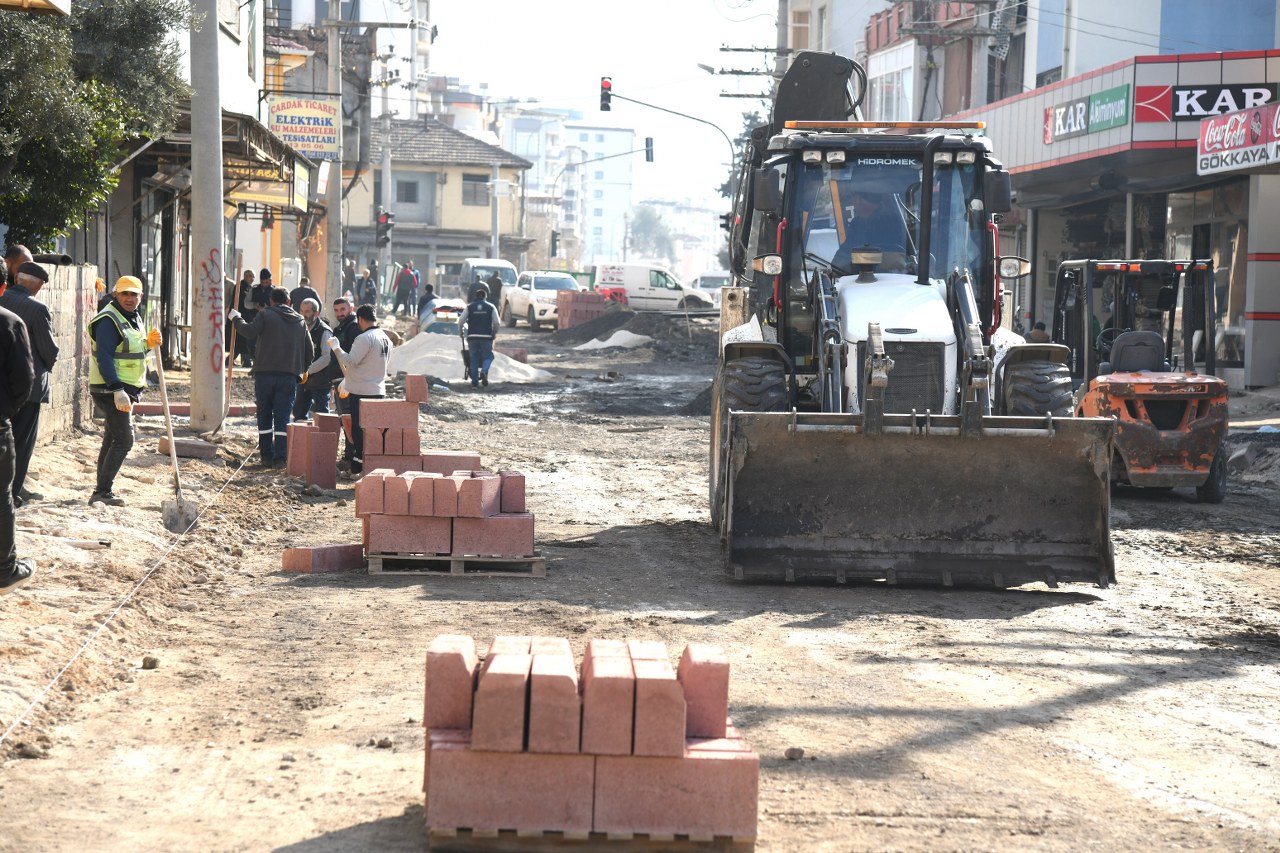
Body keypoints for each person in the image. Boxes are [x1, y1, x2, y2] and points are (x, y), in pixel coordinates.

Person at [88, 276, 158, 506]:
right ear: (116, 295)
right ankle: (102, 491)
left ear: (141, 296)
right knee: (124, 440)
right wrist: (117, 389)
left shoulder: (132, 317)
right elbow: (105, 357)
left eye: (133, 294)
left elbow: (129, 348)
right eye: (125, 294)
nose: (129, 298)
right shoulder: (109, 319)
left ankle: (101, 489)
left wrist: (148, 343)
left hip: (124, 387)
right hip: (111, 388)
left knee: (111, 437)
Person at [228, 287, 314, 467]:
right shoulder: (300, 321)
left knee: (264, 414)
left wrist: (236, 318)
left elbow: (249, 331)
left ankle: (266, 455)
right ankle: (280, 458)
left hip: (265, 375)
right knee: (283, 417)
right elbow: (310, 351)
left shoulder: (266, 314)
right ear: (290, 302)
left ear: (271, 301)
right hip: (289, 377)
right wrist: (302, 370)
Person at [0, 262, 58, 508]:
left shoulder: (4, 301)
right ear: (39, 286)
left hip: (3, 388)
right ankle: (11, 496)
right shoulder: (37, 308)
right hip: (29, 389)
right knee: (21, 444)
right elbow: (49, 349)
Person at [0, 260, 35, 593]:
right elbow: (24, 381)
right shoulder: (10, 322)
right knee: (1, 498)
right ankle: (5, 571)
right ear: (3, 288)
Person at [327, 304, 392, 475]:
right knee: (373, 431)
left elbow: (350, 360)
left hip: (361, 391)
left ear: (360, 319)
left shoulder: (364, 338)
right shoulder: (385, 337)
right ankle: (370, 465)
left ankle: (358, 467)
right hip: (378, 390)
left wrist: (336, 347)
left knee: (359, 430)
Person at [832, 191, 908, 271]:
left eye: (854, 197)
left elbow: (896, 252)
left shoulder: (890, 220)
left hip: (887, 275)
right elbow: (846, 249)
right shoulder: (856, 223)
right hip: (857, 274)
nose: (853, 202)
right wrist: (835, 267)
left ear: (859, 200)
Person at [328, 296, 361, 468]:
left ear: (350, 309)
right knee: (344, 419)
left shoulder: (353, 327)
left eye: (343, 309)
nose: (339, 313)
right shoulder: (340, 327)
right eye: (337, 310)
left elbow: (354, 357)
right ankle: (349, 455)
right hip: (339, 379)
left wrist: (348, 379)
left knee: (349, 420)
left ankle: (351, 457)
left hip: (347, 380)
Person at [293, 298, 334, 421]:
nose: (303, 314)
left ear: (316, 313)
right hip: (302, 380)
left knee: (322, 416)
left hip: (320, 381)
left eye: (307, 311)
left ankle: (324, 439)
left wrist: (307, 371)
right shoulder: (298, 328)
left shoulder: (324, 331)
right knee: (299, 414)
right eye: (301, 311)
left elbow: (326, 357)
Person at [458, 285, 499, 389]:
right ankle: (484, 371)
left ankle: (474, 384)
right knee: (488, 356)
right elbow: (497, 322)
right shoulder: (491, 307)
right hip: (486, 337)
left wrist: (461, 331)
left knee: (474, 359)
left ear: (475, 296)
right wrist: (494, 333)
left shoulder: (469, 307)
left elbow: (461, 320)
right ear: (485, 297)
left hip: (472, 337)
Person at [233, 269, 257, 367]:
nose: (252, 279)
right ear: (245, 276)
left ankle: (243, 360)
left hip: (246, 317)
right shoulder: (240, 287)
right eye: (250, 276)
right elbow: (242, 303)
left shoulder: (249, 287)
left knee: (242, 341)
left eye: (253, 277)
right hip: (240, 316)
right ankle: (246, 361)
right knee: (242, 340)